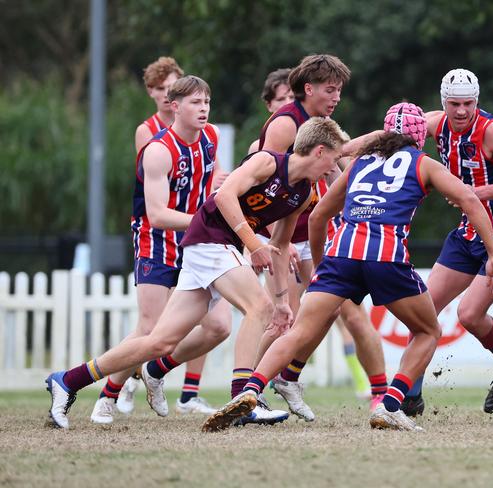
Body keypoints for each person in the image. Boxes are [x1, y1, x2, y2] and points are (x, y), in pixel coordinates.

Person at [202, 102, 493, 433]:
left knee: (301, 331)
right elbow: (470, 201)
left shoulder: (359, 163)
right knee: (427, 331)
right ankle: (390, 405)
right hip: (386, 256)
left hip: (341, 256)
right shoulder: (425, 164)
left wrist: (320, 267)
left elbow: (318, 217)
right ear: (420, 137)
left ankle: (251, 389)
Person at [45, 116, 347, 430]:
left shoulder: (304, 192)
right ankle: (242, 398)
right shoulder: (267, 162)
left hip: (213, 246)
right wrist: (252, 243)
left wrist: (284, 298)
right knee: (259, 307)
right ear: (319, 151)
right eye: (335, 159)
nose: (333, 168)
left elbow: (281, 246)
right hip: (210, 237)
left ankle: (67, 381)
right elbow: (224, 196)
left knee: (159, 343)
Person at [255, 54, 387, 419]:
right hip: (284, 237)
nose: (336, 97)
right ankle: (250, 389)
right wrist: (273, 240)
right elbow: (263, 181)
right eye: (331, 89)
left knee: (343, 314)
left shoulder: (322, 123)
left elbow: (338, 174)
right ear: (308, 88)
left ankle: (378, 394)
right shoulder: (285, 125)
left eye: (340, 90)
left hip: (315, 234)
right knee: (285, 319)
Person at [97, 58, 221, 421]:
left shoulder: (209, 136)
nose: (200, 107)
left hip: (195, 236)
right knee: (150, 327)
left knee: (217, 326)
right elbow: (158, 210)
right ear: (164, 98)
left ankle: (159, 374)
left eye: (205, 101)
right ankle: (110, 392)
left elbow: (205, 182)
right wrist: (206, 218)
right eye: (184, 97)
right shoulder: (153, 139)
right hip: (157, 235)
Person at [401, 68, 493, 417]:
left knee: (470, 315)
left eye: (468, 103)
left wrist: (472, 194)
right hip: (466, 232)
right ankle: (412, 394)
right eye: (455, 104)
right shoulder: (435, 124)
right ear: (444, 103)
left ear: (477, 101)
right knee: (422, 312)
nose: (462, 111)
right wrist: (348, 148)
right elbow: (397, 129)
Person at [248, 68, 295, 154]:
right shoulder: (258, 147)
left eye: (292, 97)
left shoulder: (316, 140)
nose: (288, 103)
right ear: (269, 105)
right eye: (281, 99)